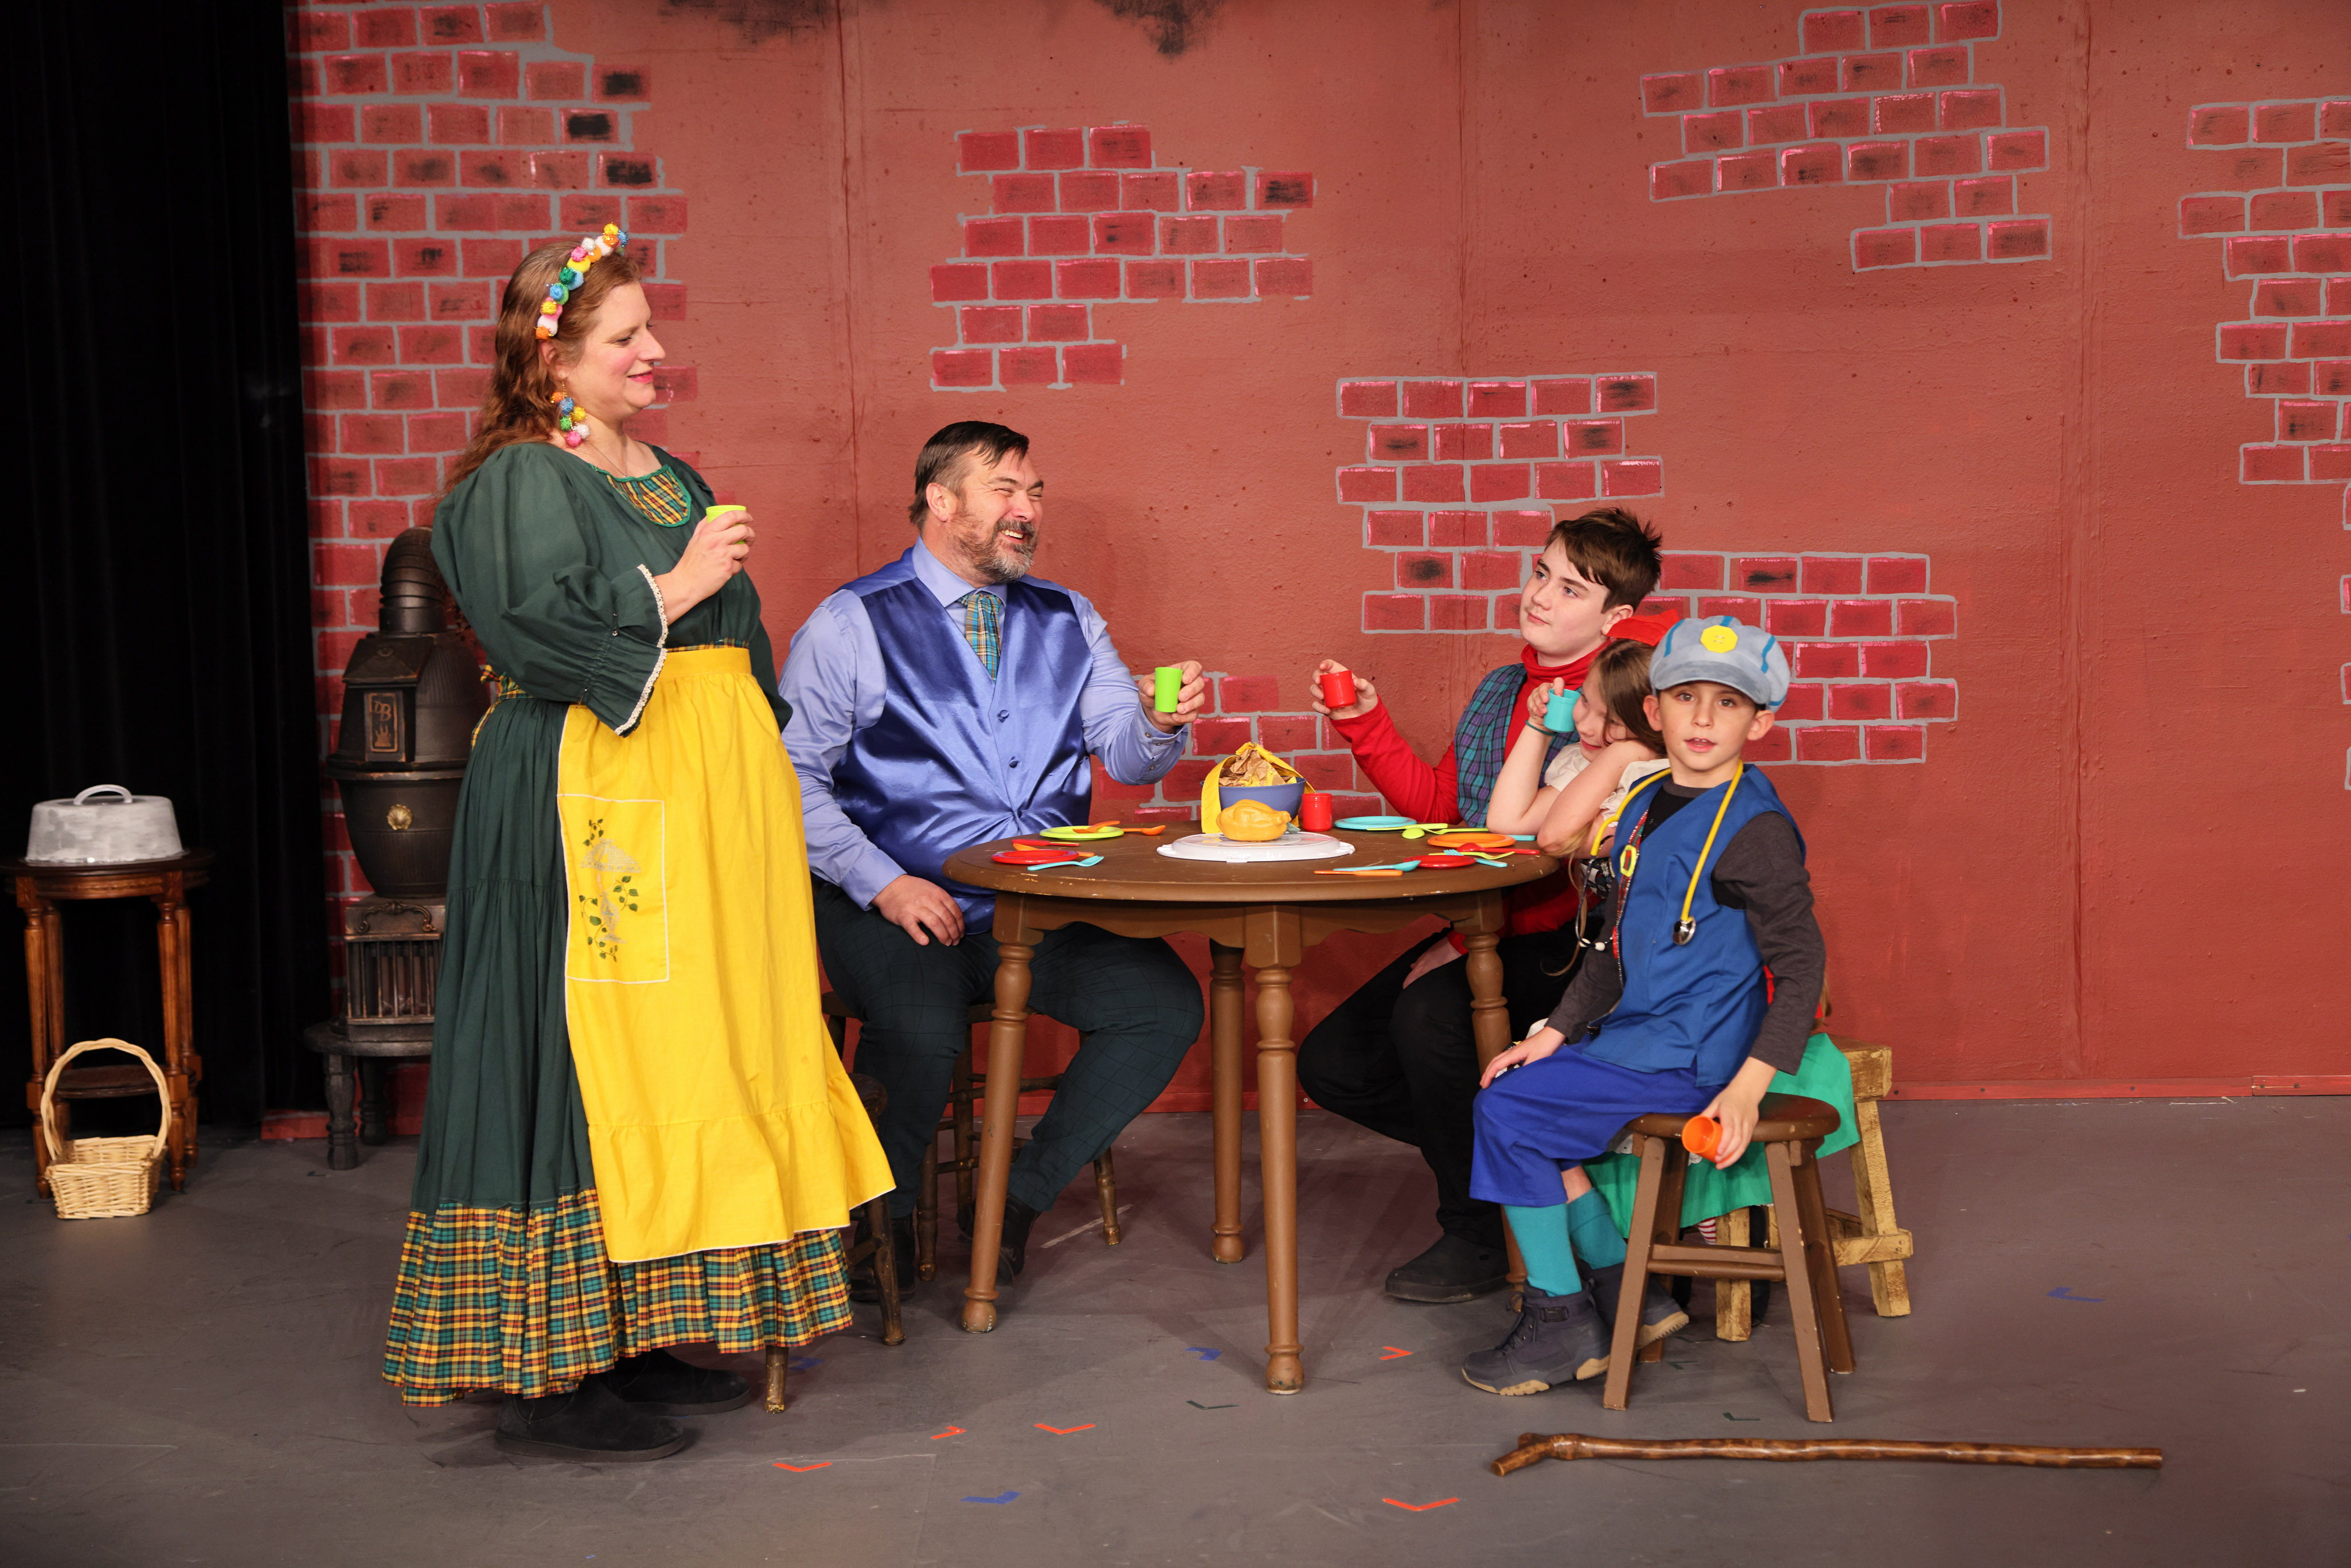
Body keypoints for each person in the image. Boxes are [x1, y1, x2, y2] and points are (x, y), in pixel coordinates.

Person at [383, 226, 892, 1461]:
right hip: (586, 802)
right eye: (626, 336)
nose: (655, 350)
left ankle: (638, 1325)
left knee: (673, 1059)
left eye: (651, 328)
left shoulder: (668, 475)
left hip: (690, 810)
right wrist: (676, 585)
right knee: (579, 1054)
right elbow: (537, 632)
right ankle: (549, 1369)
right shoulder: (520, 478)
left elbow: (734, 654)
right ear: (551, 360)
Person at [780, 421, 1208, 1287]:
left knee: (1161, 1006)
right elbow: (789, 779)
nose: (1027, 510)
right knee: (918, 1029)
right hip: (893, 903)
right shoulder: (851, 622)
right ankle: (877, 1230)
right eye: (1005, 490)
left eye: (1034, 493)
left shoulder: (1071, 618)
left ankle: (1012, 1196)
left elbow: (1126, 755)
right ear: (941, 501)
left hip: (1037, 906)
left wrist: (1158, 722)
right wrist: (884, 883)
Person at [1295, 510, 1666, 1305]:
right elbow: (1449, 814)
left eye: (1571, 589)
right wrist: (1364, 723)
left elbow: (1555, 859)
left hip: (1574, 942)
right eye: (1540, 573)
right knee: (1334, 1063)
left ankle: (1474, 1229)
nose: (1541, 595)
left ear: (1616, 617)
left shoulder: (1626, 699)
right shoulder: (1504, 690)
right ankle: (1524, 1172)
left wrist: (1468, 944)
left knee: (1430, 1018)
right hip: (1492, 923)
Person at [1458, 616, 1825, 1396]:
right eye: (1686, 697)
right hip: (1634, 1038)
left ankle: (1559, 1317)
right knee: (1517, 1088)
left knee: (1507, 1114)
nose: (1703, 717)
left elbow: (1802, 968)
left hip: (1692, 1055)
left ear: (1760, 722)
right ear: (1653, 710)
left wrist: (1746, 1088)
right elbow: (1613, 943)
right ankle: (1630, 1289)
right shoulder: (1641, 800)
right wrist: (1555, 1033)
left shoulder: (1754, 828)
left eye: (1728, 703)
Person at [1483, 639, 1668, 854]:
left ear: (1655, 723)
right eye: (1585, 700)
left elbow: (1556, 841)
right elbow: (1507, 823)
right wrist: (1538, 726)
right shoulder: (1592, 762)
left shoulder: (1657, 783)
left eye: (1613, 721)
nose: (1586, 727)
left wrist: (1624, 752)